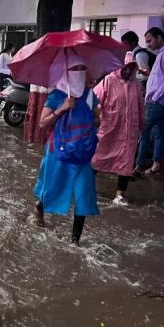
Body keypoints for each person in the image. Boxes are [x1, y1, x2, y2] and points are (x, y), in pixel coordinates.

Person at [33, 55, 100, 244]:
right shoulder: (56, 95)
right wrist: (62, 109)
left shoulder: (89, 95)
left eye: (82, 68)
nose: (78, 73)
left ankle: (75, 240)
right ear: (66, 72)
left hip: (81, 154)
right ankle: (39, 208)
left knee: (83, 194)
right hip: (57, 153)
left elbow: (98, 119)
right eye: (74, 69)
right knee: (51, 189)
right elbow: (42, 124)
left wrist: (89, 122)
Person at [92, 55, 144, 205]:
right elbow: (95, 99)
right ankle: (87, 187)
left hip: (129, 131)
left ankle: (120, 194)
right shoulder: (108, 80)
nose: (127, 71)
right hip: (110, 127)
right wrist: (96, 116)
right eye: (125, 67)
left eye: (131, 68)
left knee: (126, 162)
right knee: (97, 157)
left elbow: (140, 105)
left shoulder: (136, 85)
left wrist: (141, 122)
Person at [136, 27, 164, 176]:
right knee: (159, 133)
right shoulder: (163, 54)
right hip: (161, 101)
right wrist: (149, 76)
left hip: (157, 102)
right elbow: (162, 78)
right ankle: (156, 164)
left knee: (144, 131)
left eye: (150, 40)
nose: (147, 44)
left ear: (159, 37)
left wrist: (155, 97)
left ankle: (139, 166)